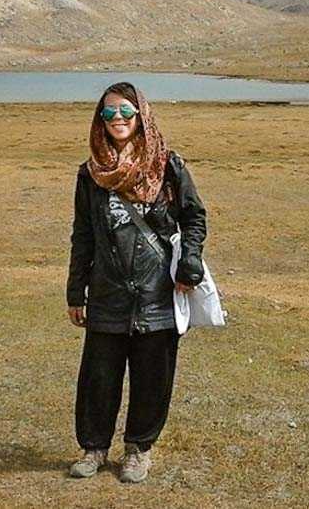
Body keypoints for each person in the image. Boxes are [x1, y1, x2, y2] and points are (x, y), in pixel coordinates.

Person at [66, 81, 207, 483]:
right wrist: (77, 290)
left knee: (152, 376)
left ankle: (137, 449)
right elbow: (83, 235)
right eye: (109, 113)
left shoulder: (168, 166)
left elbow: (194, 217)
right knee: (99, 376)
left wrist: (190, 262)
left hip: (157, 291)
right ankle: (94, 448)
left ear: (141, 114)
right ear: (100, 119)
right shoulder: (90, 174)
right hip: (107, 290)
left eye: (126, 111)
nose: (118, 120)